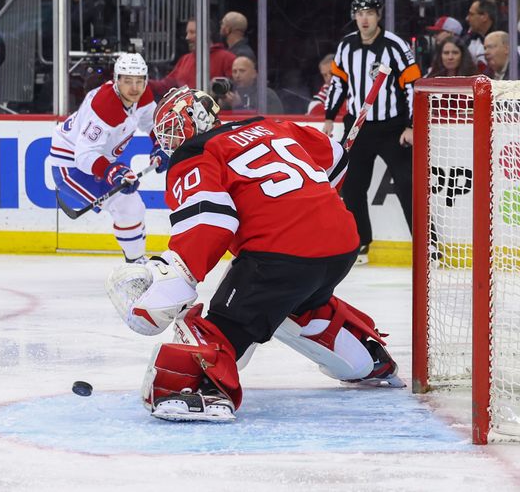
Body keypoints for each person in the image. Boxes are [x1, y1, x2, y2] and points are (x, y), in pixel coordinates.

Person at [105, 86, 403, 422]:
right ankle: (367, 358)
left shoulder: (196, 153)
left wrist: (177, 273)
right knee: (297, 307)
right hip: (342, 244)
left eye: (172, 130)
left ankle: (204, 390)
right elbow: (335, 158)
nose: (170, 141)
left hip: (281, 253)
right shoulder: (272, 125)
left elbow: (210, 221)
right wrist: (308, 208)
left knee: (218, 326)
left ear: (192, 121)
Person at [323, 0, 420, 265]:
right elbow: (339, 83)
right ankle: (361, 243)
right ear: (354, 16)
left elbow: (412, 86)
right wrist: (330, 116)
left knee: (407, 184)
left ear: (378, 16)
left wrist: (411, 125)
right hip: (358, 127)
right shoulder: (346, 46)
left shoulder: (395, 45)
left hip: (393, 128)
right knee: (352, 187)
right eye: (360, 13)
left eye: (370, 13)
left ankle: (427, 245)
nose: (364, 19)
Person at [49, 52, 165, 263]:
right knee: (127, 205)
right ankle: (136, 265)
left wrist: (160, 146)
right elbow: (84, 156)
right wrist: (113, 171)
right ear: (116, 79)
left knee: (134, 206)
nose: (134, 87)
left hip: (93, 159)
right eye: (128, 81)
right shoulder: (105, 106)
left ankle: (138, 262)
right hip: (71, 166)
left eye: (139, 81)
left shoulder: (143, 96)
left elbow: (151, 124)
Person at [147, 18, 236, 98]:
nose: (187, 37)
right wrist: (143, 82)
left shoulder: (227, 58)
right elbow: (165, 86)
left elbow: (236, 90)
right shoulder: (185, 59)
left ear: (206, 34)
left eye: (192, 32)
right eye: (187, 33)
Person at [214, 55, 283, 114]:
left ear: (254, 74)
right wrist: (222, 104)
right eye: (234, 71)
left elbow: (275, 122)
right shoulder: (229, 93)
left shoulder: (266, 95)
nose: (237, 75)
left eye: (242, 71)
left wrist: (239, 107)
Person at [464, 0, 496, 73]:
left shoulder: (508, 38)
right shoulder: (468, 40)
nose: (467, 18)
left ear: (484, 17)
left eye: (471, 14)